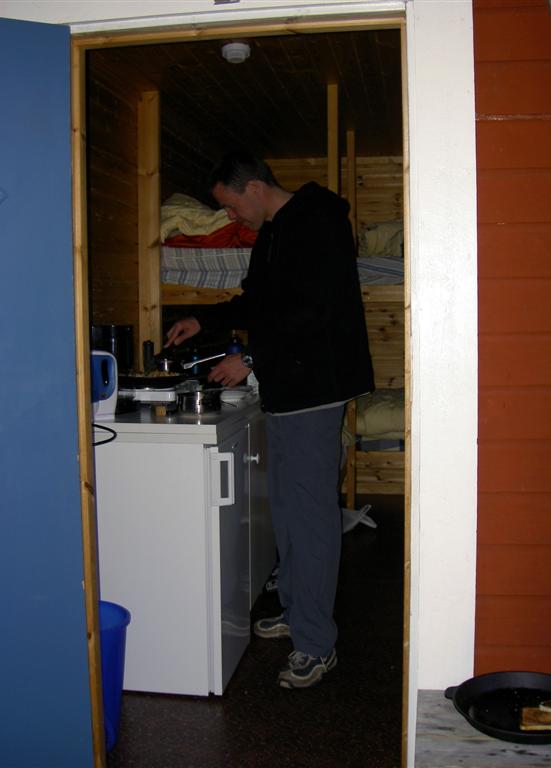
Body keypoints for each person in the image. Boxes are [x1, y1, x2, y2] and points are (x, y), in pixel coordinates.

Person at [165, 151, 374, 689]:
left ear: (255, 188)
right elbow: (256, 305)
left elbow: (316, 312)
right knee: (287, 512)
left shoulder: (318, 221)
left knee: (311, 519)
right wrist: (201, 318)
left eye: (233, 207)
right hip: (285, 390)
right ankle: (300, 611)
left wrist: (253, 359)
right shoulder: (273, 235)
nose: (233, 217)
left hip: (314, 390)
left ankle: (316, 644)